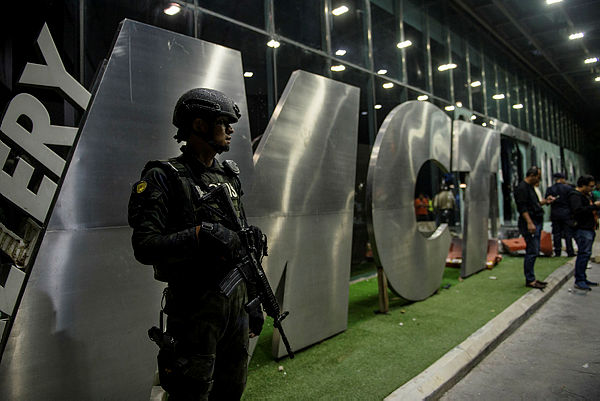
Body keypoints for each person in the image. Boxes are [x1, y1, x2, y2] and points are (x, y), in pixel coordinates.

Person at [128, 88, 263, 400]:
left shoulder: (227, 175)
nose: (231, 129)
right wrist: (200, 234)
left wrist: (253, 299)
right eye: (223, 122)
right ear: (200, 125)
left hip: (235, 307)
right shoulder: (164, 176)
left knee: (232, 390)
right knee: (191, 393)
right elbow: (145, 245)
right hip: (194, 311)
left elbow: (240, 246)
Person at [514, 166, 555, 290]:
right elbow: (522, 208)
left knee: (534, 250)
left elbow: (534, 204)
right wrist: (529, 223)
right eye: (538, 176)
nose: (539, 179)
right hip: (530, 222)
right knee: (532, 250)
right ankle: (530, 279)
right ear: (531, 175)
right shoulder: (522, 188)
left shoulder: (531, 188)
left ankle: (531, 278)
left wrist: (545, 202)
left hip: (535, 220)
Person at [567, 175, 600, 291]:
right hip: (582, 228)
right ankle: (579, 279)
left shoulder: (585, 195)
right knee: (583, 253)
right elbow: (578, 211)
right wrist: (593, 206)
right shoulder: (575, 196)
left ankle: (583, 277)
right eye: (590, 186)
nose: (592, 188)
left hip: (588, 227)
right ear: (583, 185)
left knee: (586, 254)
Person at [545, 172, 575, 257]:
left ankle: (557, 251)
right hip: (566, 213)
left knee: (556, 233)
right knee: (568, 233)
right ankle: (570, 251)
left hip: (555, 213)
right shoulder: (568, 188)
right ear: (562, 179)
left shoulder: (550, 189)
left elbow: (547, 202)